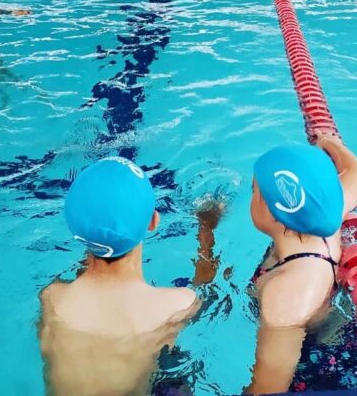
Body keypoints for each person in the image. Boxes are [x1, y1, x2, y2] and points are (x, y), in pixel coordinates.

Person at [38, 157, 223, 396]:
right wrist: (206, 229)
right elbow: (208, 284)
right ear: (153, 221)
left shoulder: (52, 297)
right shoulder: (178, 304)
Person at [246, 136, 357, 395]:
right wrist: (330, 143)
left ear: (271, 209)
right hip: (341, 343)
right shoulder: (325, 220)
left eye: (254, 190)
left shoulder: (285, 293)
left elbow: (269, 388)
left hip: (319, 379)